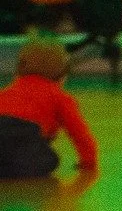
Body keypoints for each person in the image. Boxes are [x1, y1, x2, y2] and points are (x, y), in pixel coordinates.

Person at [0, 38, 96, 178]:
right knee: (50, 160)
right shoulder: (59, 96)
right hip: (24, 135)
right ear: (62, 75)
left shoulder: (8, 90)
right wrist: (88, 161)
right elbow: (79, 132)